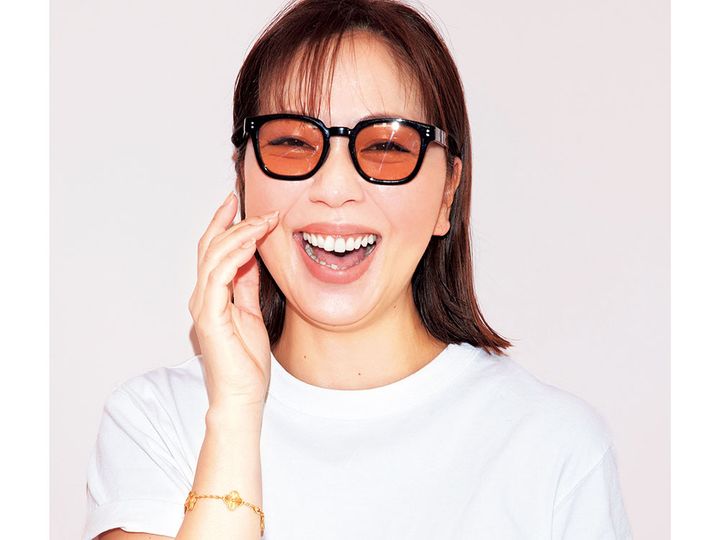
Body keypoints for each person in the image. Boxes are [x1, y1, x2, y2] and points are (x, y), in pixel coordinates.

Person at [83, 0, 633, 538]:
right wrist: (235, 414)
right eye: (293, 143)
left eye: (386, 147)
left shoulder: (555, 449)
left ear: (447, 193)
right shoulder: (157, 422)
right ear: (243, 177)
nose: (335, 188)